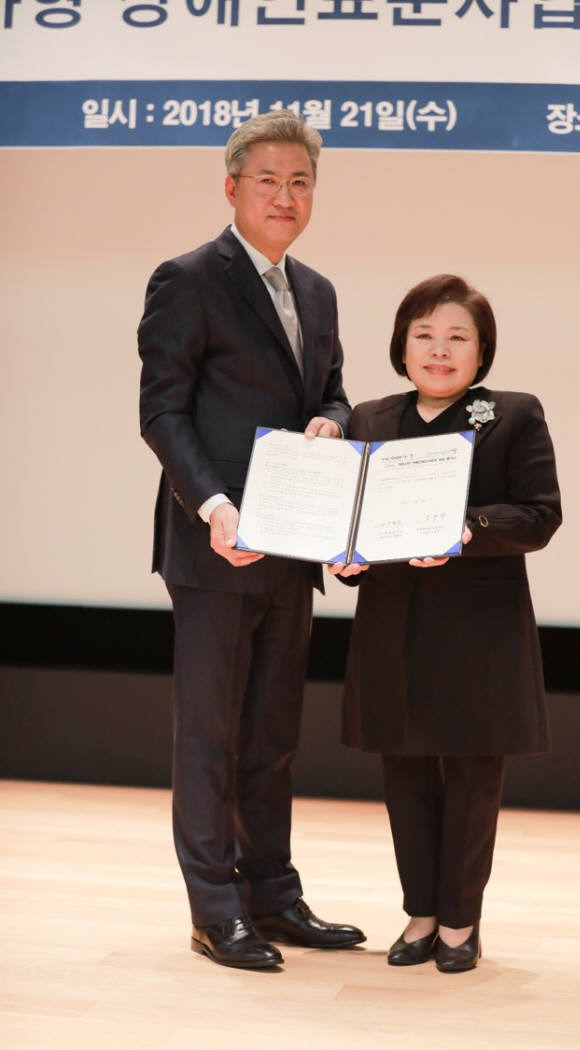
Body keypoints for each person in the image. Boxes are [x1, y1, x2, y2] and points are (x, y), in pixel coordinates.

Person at [138, 110, 364, 970]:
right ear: (231, 187)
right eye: (267, 179)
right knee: (210, 736)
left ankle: (273, 896)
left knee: (272, 734)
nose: (285, 194)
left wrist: (331, 425)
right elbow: (162, 408)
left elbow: (335, 393)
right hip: (217, 545)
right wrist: (212, 504)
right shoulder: (187, 278)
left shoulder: (318, 291)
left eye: (300, 181)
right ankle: (215, 908)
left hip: (294, 545)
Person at [331, 274, 561, 973]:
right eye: (424, 335)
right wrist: (344, 556)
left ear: (481, 351)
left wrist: (466, 529)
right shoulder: (370, 418)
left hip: (479, 633)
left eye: (458, 337)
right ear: (401, 345)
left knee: (470, 777)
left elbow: (539, 516)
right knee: (404, 775)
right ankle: (419, 914)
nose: (440, 350)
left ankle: (460, 921)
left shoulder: (513, 414)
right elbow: (351, 514)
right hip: (392, 626)